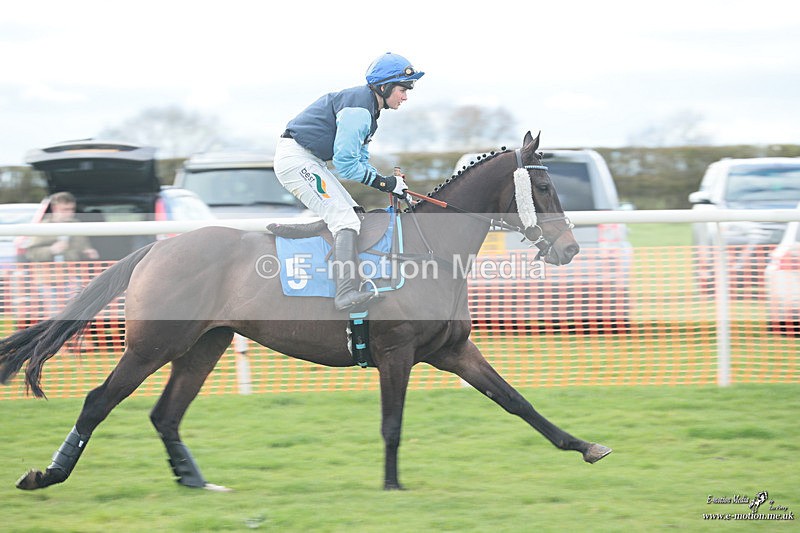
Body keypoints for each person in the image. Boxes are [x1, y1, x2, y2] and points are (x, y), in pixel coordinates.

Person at [274, 52, 424, 311]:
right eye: (403, 89)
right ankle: (344, 294)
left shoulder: (369, 110)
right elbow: (346, 165)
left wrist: (393, 186)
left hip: (309, 160)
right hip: (297, 161)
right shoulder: (359, 110)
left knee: (354, 214)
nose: (405, 96)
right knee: (345, 220)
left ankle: (306, 230)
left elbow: (360, 162)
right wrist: (387, 184)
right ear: (384, 87)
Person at [24, 192, 99, 262]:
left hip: (73, 269)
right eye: (65, 210)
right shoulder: (42, 227)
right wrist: (51, 250)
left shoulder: (78, 226)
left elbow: (84, 248)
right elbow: (30, 254)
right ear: (55, 209)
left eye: (72, 209)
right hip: (49, 270)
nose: (70, 213)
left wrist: (89, 253)